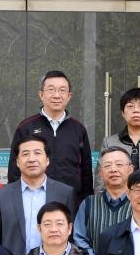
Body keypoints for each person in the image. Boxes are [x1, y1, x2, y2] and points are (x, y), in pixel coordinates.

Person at [6, 70, 93, 202]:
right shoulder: (26, 127)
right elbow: (14, 168)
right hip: (33, 200)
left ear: (69, 96)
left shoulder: (78, 129)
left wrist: (85, 202)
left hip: (71, 201)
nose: (57, 95)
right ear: (41, 95)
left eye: (62, 90)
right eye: (51, 90)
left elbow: (86, 171)